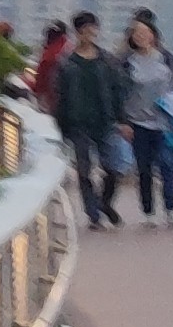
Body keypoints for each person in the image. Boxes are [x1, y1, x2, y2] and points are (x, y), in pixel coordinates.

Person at [43, 13, 131, 225]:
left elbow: (118, 91)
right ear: (78, 32)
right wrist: (61, 126)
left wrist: (123, 120)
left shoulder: (107, 61)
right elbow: (59, 96)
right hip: (78, 124)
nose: (90, 34)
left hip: (106, 122)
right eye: (85, 30)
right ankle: (93, 214)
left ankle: (104, 202)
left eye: (93, 30)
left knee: (113, 168)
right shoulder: (66, 64)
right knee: (84, 171)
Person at [116, 9, 173, 227]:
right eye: (136, 33)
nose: (141, 36)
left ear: (154, 35)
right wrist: (123, 121)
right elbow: (119, 93)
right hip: (138, 124)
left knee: (168, 166)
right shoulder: (125, 63)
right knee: (145, 170)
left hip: (165, 123)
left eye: (145, 32)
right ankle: (148, 213)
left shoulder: (166, 59)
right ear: (131, 37)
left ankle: (171, 211)